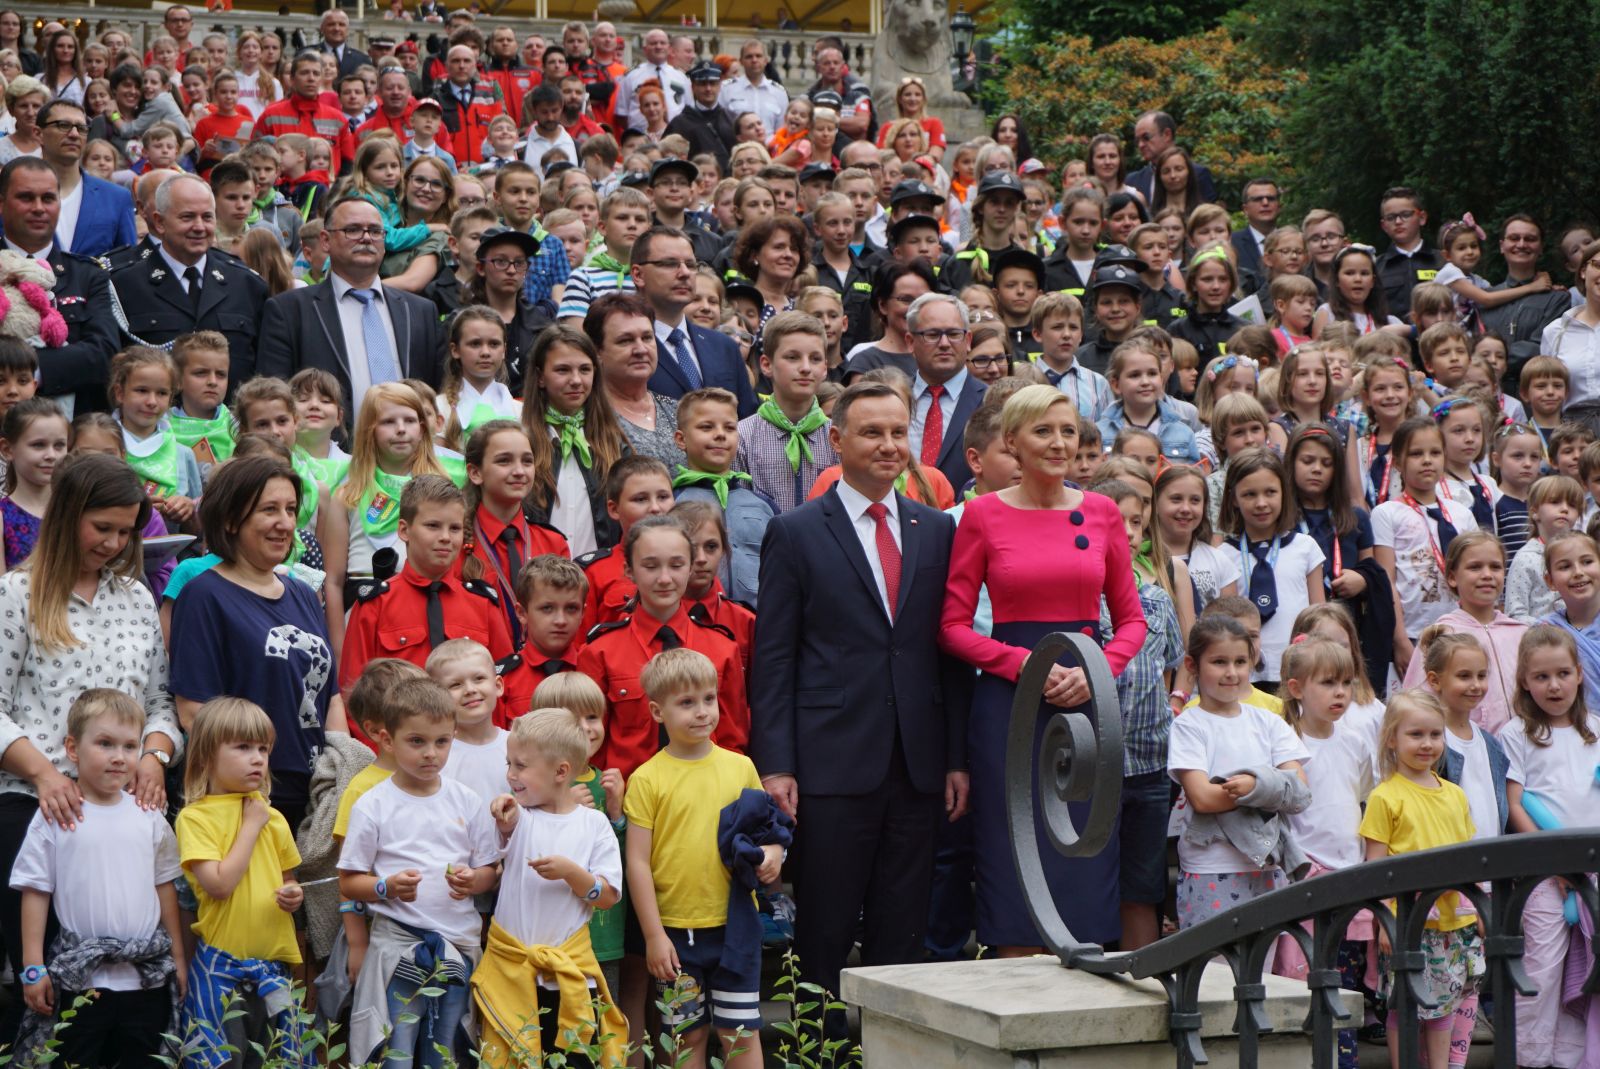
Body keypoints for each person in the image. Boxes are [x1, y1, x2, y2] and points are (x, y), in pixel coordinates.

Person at [753, 380, 970, 1017]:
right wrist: (777, 764)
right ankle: (815, 1053)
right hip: (829, 762)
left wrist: (956, 756)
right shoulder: (794, 533)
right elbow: (773, 658)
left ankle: (887, 1046)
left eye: (898, 433)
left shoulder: (935, 531)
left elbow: (946, 650)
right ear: (837, 440)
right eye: (872, 433)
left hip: (918, 762)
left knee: (902, 931)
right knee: (823, 926)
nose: (888, 445)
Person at [939, 384, 1144, 953]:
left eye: (1068, 432)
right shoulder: (980, 515)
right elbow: (953, 627)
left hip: (1089, 699)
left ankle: (1090, 978)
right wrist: (1024, 664)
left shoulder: (1102, 512)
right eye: (1043, 432)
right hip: (1010, 703)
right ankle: (1015, 980)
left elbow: (1131, 622)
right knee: (1013, 846)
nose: (1059, 443)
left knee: (1087, 842)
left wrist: (1097, 668)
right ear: (1013, 441)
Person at [625, 648, 785, 1069]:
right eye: (686, 703)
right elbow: (638, 862)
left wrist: (773, 853)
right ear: (658, 711)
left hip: (736, 927)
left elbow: (768, 832)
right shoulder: (646, 779)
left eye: (709, 699)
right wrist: (654, 936)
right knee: (685, 1034)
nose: (702, 712)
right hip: (676, 934)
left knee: (740, 1032)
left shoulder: (741, 767)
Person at [8, 688, 185, 1068]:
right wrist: (33, 967)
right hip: (80, 982)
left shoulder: (148, 815)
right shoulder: (56, 816)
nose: (119, 757)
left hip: (146, 980)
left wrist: (179, 959)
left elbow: (165, 886)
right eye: (105, 743)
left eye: (129, 745)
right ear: (73, 748)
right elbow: (35, 892)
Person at [167, 454, 342, 833]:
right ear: (231, 519)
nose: (285, 523)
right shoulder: (204, 596)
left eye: (291, 509)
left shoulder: (303, 594)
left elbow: (332, 696)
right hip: (247, 800)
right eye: (269, 510)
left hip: (314, 793)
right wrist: (248, 792)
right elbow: (194, 712)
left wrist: (339, 771)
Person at [336, 677, 499, 1067]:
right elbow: (349, 881)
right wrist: (385, 886)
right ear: (388, 741)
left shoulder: (467, 800)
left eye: (441, 742)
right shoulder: (373, 805)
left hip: (457, 943)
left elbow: (489, 871)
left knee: (448, 1048)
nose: (431, 753)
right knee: (396, 1046)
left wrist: (472, 881)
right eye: (417, 742)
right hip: (398, 945)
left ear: (454, 737)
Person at [475, 708, 627, 1067]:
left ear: (560, 771)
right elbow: (506, 825)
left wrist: (572, 873)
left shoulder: (595, 825)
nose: (510, 775)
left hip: (569, 974)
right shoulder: (521, 817)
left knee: (573, 1058)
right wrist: (503, 814)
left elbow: (606, 897)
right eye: (509, 763)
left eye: (521, 766)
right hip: (513, 969)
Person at [175, 698, 310, 1067]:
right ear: (205, 757)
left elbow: (288, 880)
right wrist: (251, 825)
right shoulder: (195, 818)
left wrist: (293, 896)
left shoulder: (274, 818)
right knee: (221, 1061)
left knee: (279, 1059)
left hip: (272, 968)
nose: (257, 758)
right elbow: (219, 885)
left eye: (263, 749)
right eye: (243, 747)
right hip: (222, 971)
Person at [1501, 624, 1600, 1069]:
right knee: (1543, 965)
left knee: (1587, 968)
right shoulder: (1516, 732)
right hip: (1544, 873)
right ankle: (1531, 1057)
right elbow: (1515, 803)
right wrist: (1552, 860)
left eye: (1562, 673)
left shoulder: (1596, 729)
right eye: (1541, 677)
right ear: (1524, 680)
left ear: (1579, 674)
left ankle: (1574, 1058)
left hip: (1594, 869)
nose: (1554, 685)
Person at [258, 197, 445, 413]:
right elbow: (274, 397)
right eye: (353, 230)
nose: (366, 238)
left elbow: (438, 393)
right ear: (326, 241)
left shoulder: (420, 311)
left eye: (375, 231)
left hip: (411, 443)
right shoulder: (289, 311)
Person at [107, 174, 268, 389]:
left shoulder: (247, 284)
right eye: (188, 217)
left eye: (207, 217)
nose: (200, 226)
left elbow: (262, 373)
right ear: (159, 222)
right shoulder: (123, 285)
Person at [0, 158, 117, 417]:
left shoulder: (88, 275)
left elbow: (104, 354)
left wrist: (24, 373)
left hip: (70, 437)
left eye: (48, 199)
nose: (39, 208)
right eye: (26, 198)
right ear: (2, 203)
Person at [632, 226, 758, 416]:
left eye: (690, 265)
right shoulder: (626, 346)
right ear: (638, 275)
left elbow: (748, 422)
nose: (684, 273)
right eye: (669, 263)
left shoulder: (724, 347)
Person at [738, 310, 838, 513]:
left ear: (825, 368)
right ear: (766, 364)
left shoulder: (838, 439)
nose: (805, 368)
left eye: (815, 359)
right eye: (792, 357)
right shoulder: (743, 437)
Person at [33, 98, 133, 257]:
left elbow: (128, 264)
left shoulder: (116, 198)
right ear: (38, 134)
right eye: (63, 125)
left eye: (81, 127)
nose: (74, 134)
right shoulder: (14, 194)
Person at [252, 50, 356, 175]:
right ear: (292, 79)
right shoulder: (271, 116)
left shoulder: (337, 119)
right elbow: (255, 156)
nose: (311, 78)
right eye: (304, 73)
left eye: (316, 73)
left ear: (321, 79)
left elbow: (348, 163)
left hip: (326, 190)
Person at [613, 29, 689, 134]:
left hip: (675, 135)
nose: (658, 46)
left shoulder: (681, 77)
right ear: (645, 49)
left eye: (662, 43)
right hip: (641, 136)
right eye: (653, 43)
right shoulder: (631, 76)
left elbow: (689, 109)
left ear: (669, 48)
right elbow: (621, 114)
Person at [668, 61, 735, 175]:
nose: (708, 88)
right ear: (693, 87)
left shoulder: (733, 120)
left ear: (719, 86)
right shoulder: (680, 123)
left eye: (712, 83)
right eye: (703, 84)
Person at [719, 39, 786, 136]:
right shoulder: (726, 89)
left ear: (766, 60)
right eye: (749, 57)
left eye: (758, 56)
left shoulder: (779, 92)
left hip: (769, 149)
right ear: (741, 61)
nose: (754, 60)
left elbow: (782, 130)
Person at [1231, 178, 1281, 286]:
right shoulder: (1232, 244)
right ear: (1245, 209)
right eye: (1258, 199)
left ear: (1279, 206)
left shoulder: (1295, 241)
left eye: (1271, 198)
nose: (1265, 203)